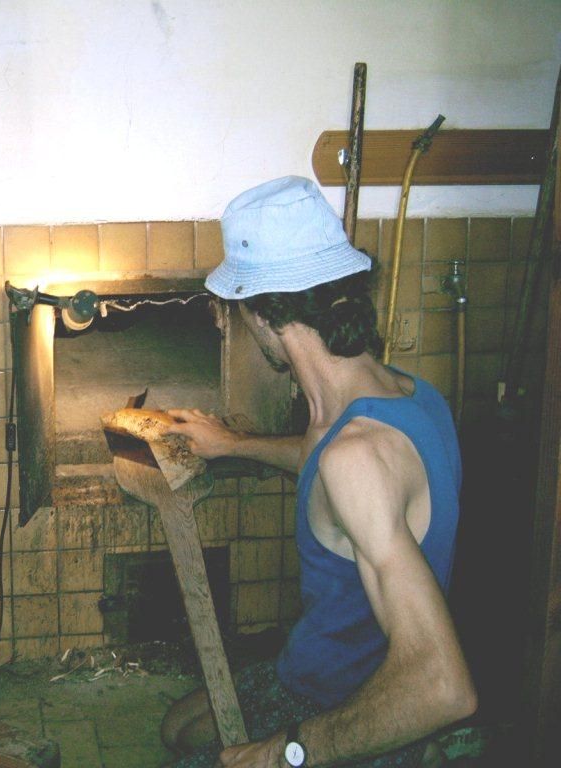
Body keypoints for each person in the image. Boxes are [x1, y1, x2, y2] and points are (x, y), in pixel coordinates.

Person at [162, 176, 477, 768]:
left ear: (259, 311)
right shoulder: (406, 396)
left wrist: (284, 753)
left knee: (195, 753)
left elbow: (443, 687)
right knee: (181, 724)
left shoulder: (355, 456)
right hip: (324, 665)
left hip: (346, 704)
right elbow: (327, 475)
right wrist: (232, 443)